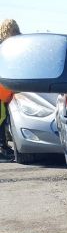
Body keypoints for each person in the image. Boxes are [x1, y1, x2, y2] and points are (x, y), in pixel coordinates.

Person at [0, 19, 21, 152]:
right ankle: (2, 147)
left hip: (5, 88)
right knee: (1, 118)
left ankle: (3, 146)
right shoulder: (6, 47)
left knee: (3, 118)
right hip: (3, 89)